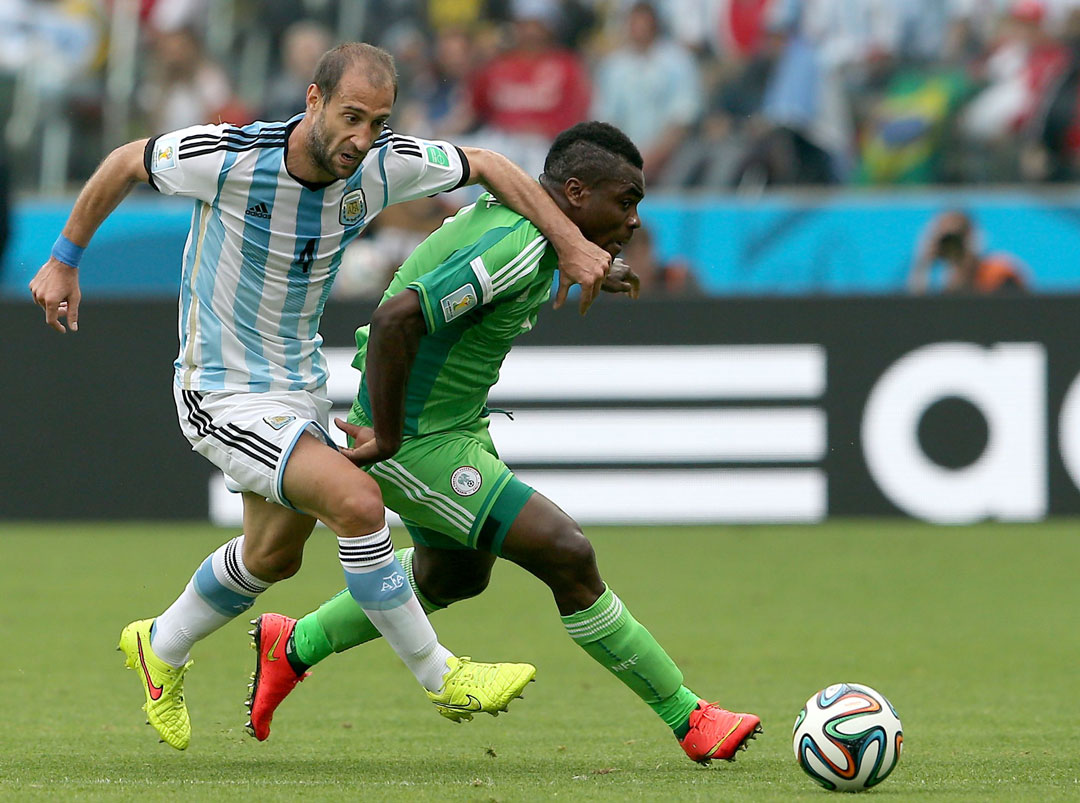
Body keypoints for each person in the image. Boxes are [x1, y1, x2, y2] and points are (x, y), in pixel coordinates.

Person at [28, 42, 613, 751]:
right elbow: (126, 161)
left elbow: (487, 165)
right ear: (313, 102)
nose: (361, 137)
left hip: (299, 387)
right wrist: (64, 259)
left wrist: (571, 242)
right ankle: (441, 674)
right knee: (358, 504)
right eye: (350, 117)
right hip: (222, 390)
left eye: (378, 121)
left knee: (273, 555)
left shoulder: (378, 163)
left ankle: (162, 643)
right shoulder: (232, 159)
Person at [245, 121, 763, 764]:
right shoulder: (514, 244)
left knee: (454, 574)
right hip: (418, 441)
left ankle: (292, 646)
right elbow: (393, 319)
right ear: (574, 192)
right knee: (565, 553)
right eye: (624, 202)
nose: (632, 219)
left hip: (457, 427)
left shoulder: (534, 228)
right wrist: (389, 433)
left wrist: (603, 263)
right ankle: (691, 717)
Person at [908, 210, 1028, 294]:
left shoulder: (998, 273)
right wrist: (923, 267)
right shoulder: (945, 281)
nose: (952, 246)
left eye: (958, 238)